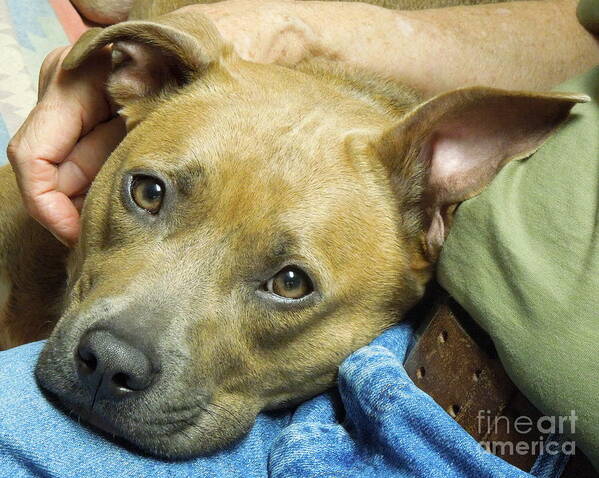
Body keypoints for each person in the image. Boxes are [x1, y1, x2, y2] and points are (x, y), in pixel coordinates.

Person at [1, 0, 598, 476]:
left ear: (435, 217)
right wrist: (286, 27)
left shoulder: (391, 212)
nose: (118, 351)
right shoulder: (204, 103)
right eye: (150, 195)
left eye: (289, 283)